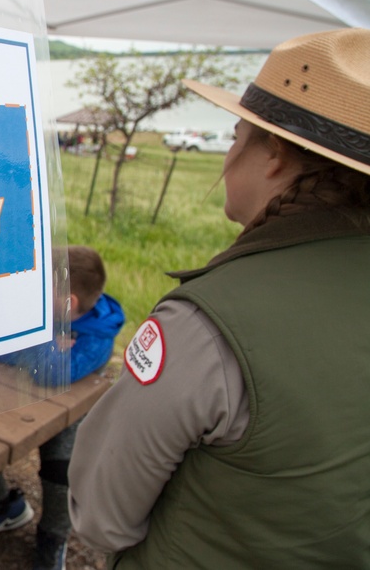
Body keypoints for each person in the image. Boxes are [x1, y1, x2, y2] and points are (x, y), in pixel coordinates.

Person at [68, 28, 370, 567]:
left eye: (236, 136)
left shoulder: (208, 326)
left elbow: (100, 515)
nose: (229, 152)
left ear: (273, 153)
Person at [0, 246, 125, 570]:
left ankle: (53, 536)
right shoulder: (49, 310)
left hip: (66, 417)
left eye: (43, 291)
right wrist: (46, 341)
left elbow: (52, 373)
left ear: (68, 303)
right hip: (10, 400)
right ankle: (1, 506)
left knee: (61, 468)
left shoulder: (99, 333)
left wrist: (33, 341)